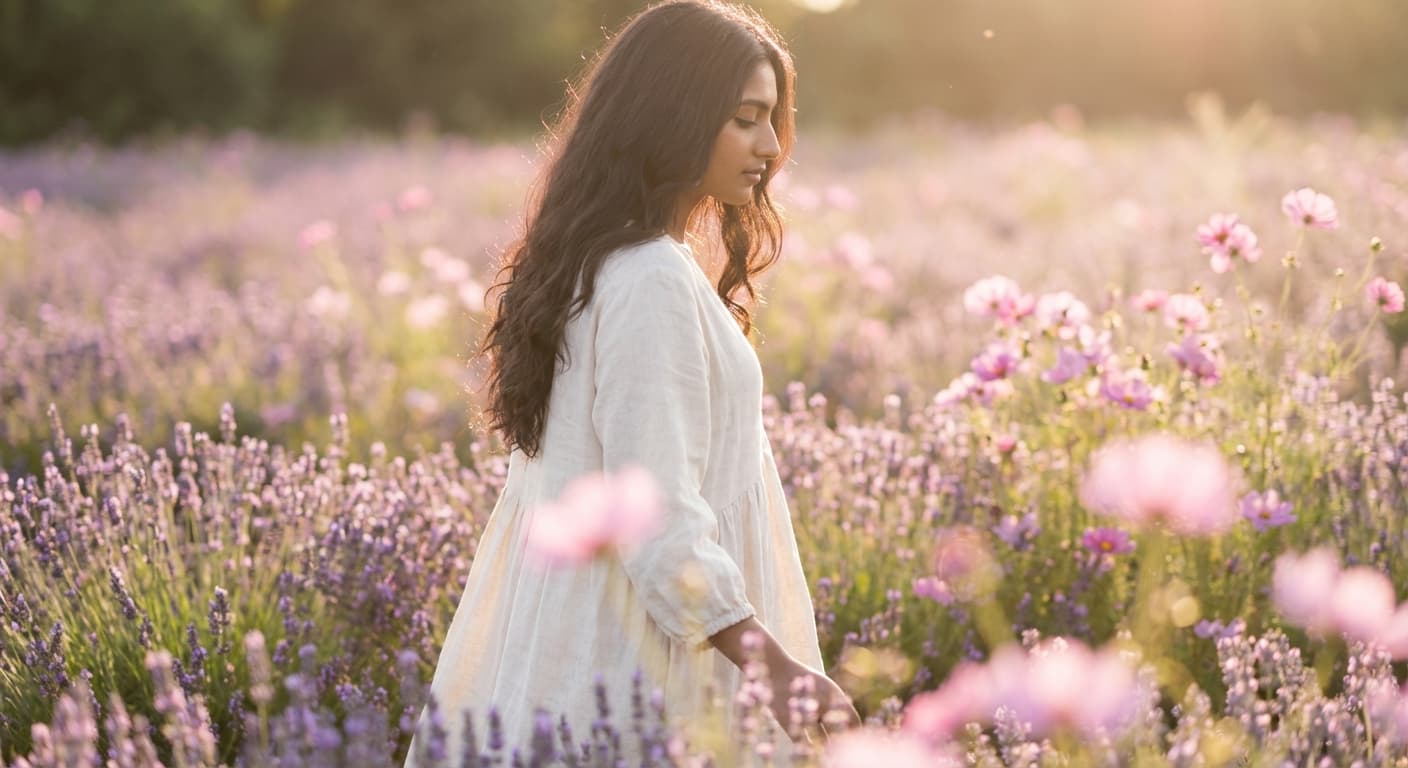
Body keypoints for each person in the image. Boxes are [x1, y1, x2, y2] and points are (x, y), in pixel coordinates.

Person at [405, 1, 859, 764]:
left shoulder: (608, 260)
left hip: (599, 634)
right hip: (645, 658)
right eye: (746, 118)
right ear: (675, 116)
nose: (772, 145)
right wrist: (773, 667)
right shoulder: (649, 278)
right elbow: (658, 520)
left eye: (774, 118)